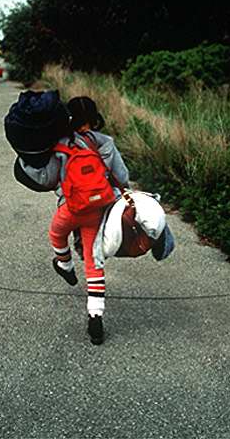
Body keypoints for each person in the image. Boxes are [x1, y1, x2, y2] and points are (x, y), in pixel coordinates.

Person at [47, 96, 129, 345]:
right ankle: (95, 316)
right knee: (94, 260)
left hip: (70, 208)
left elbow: (49, 177)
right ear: (94, 119)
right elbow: (123, 176)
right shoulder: (106, 143)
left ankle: (65, 265)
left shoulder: (62, 144)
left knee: (56, 234)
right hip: (95, 210)